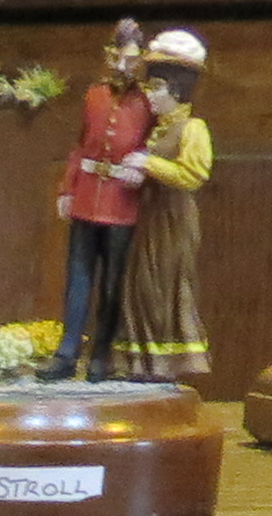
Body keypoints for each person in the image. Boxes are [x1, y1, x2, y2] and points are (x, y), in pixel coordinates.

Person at [40, 22, 155, 383]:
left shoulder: (147, 102)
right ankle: (67, 352)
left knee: (111, 282)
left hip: (121, 201)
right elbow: (81, 144)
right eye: (118, 58)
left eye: (131, 60)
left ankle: (101, 355)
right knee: (78, 277)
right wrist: (67, 188)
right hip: (88, 196)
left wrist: (145, 165)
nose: (123, 66)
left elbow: (154, 143)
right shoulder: (95, 94)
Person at [102, 32, 217, 384]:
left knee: (163, 285)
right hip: (147, 219)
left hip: (172, 220)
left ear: (177, 90)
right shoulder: (155, 129)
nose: (150, 96)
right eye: (149, 88)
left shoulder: (192, 129)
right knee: (139, 284)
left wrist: (149, 164)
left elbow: (193, 175)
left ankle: (166, 361)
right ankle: (138, 362)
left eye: (157, 89)